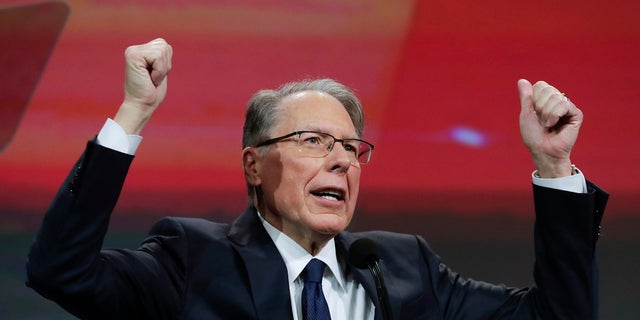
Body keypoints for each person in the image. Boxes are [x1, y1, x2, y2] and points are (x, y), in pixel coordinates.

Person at [26, 38, 608, 320]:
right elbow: (61, 272)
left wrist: (554, 167)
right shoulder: (191, 260)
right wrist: (133, 115)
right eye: (313, 142)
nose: (342, 161)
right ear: (253, 165)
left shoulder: (406, 267)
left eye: (353, 149)